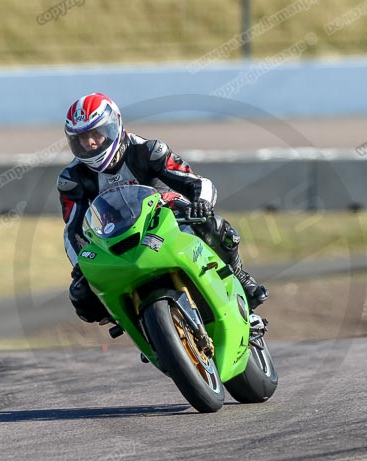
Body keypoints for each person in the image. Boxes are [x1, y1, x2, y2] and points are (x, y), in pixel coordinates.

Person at [58, 92, 268, 323]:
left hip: (168, 218)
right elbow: (72, 230)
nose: (89, 142)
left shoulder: (149, 150)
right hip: (116, 237)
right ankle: (138, 326)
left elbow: (196, 182)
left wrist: (202, 204)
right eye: (81, 138)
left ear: (114, 125)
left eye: (95, 133)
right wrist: (80, 264)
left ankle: (239, 277)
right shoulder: (72, 179)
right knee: (82, 296)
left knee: (215, 227)